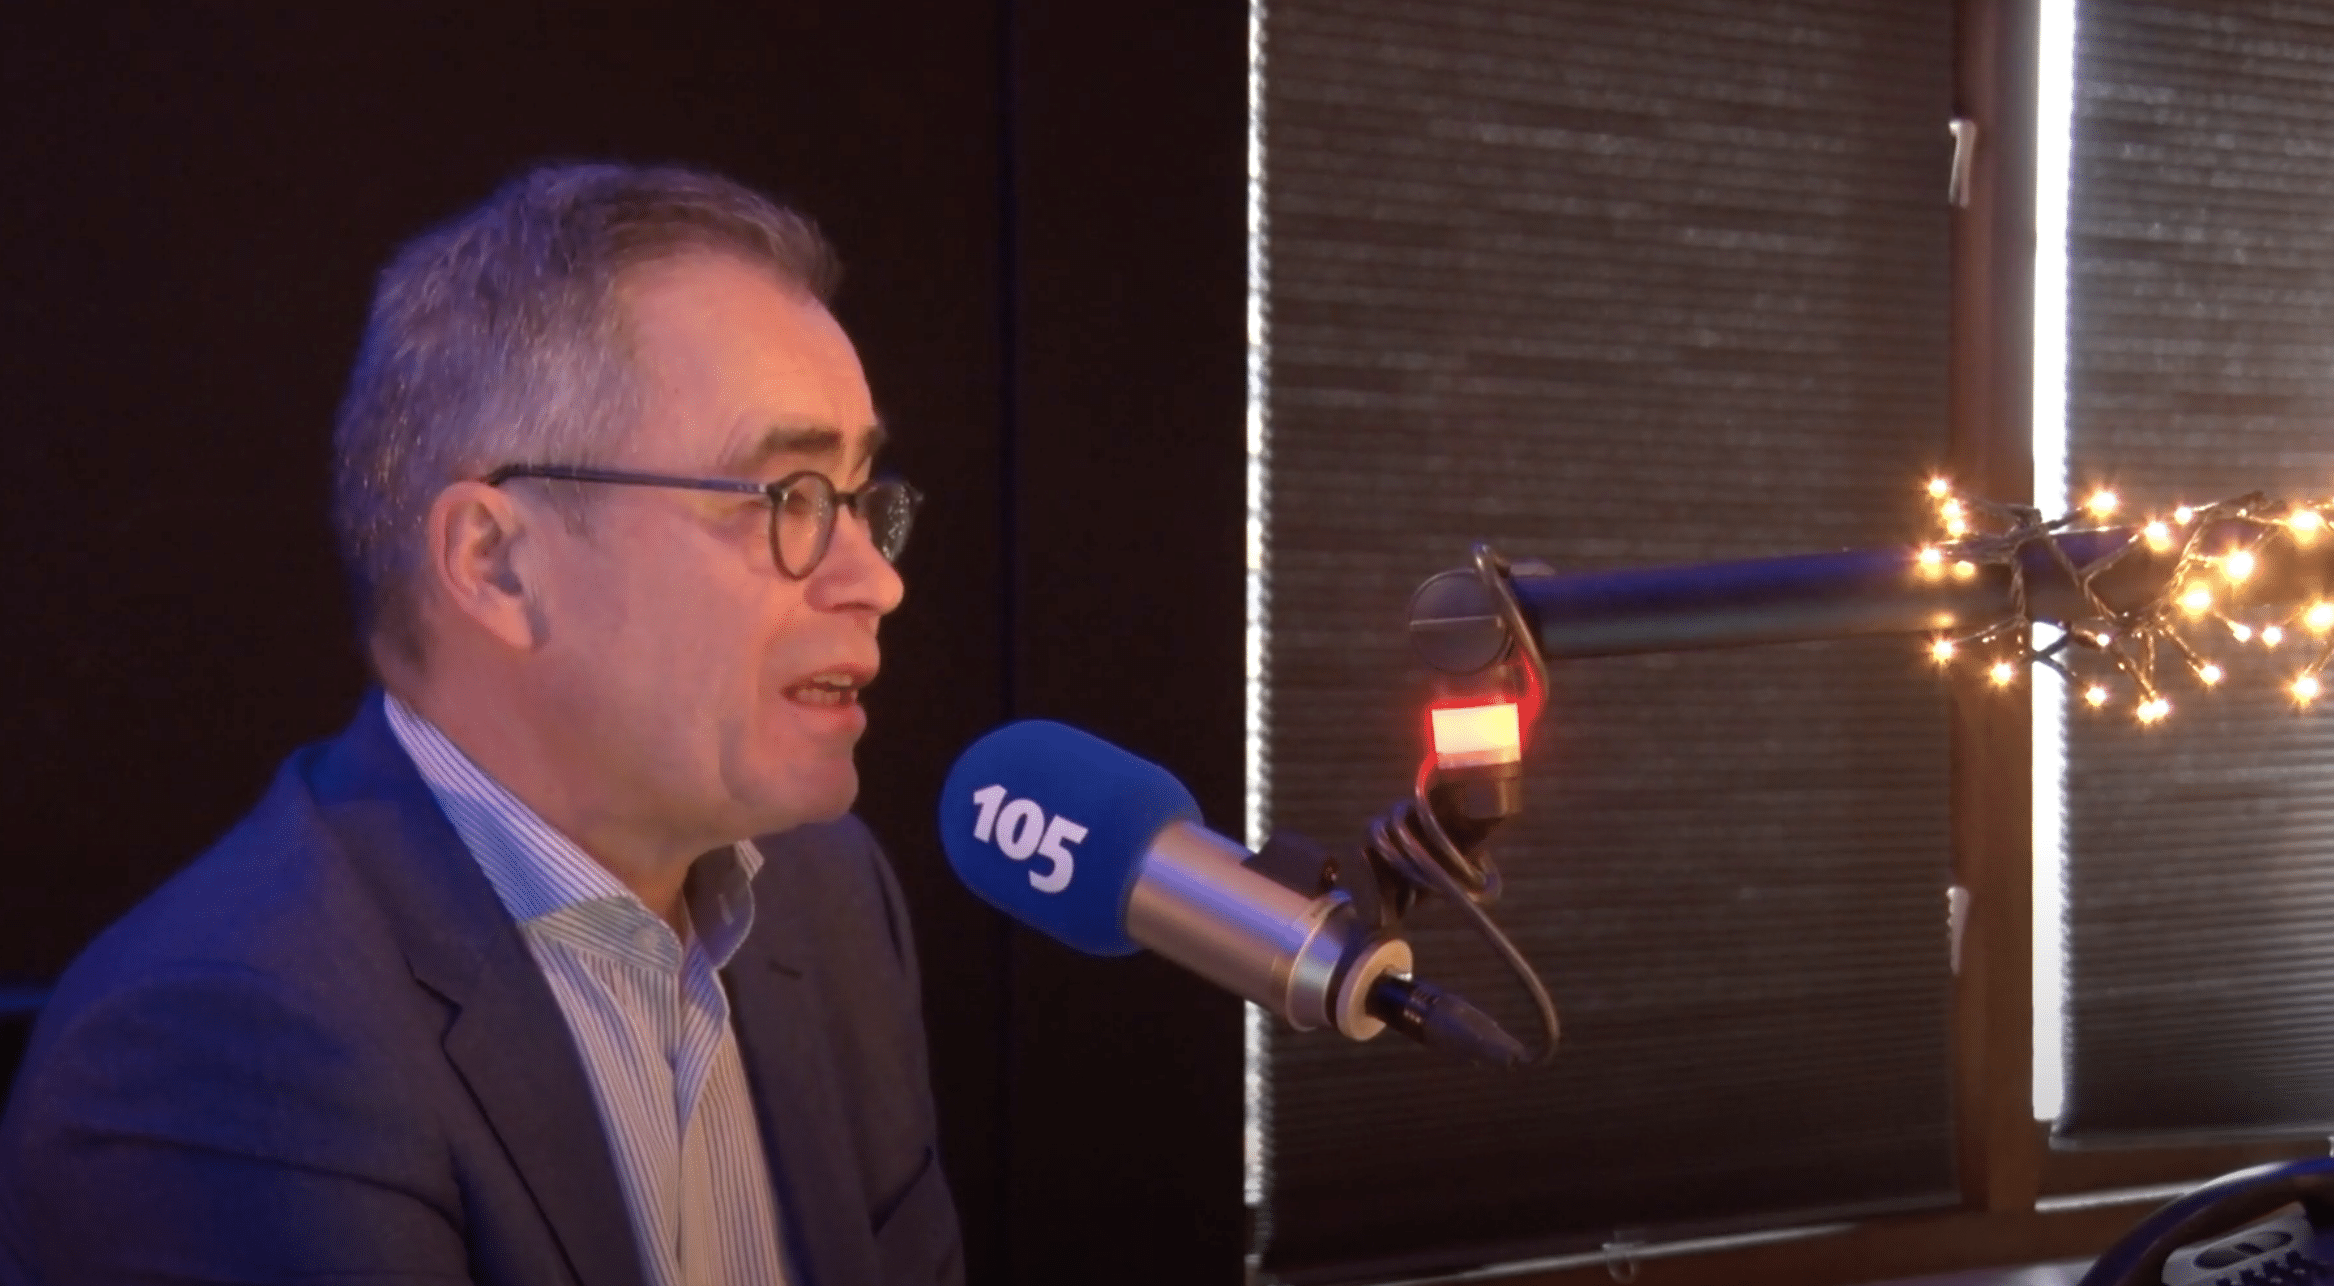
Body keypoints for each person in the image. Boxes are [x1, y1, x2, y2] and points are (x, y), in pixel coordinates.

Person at [0, 163, 964, 1286]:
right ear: (497, 563)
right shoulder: (228, 1036)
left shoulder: (831, 897)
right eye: (787, 498)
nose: (874, 580)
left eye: (861, 499)